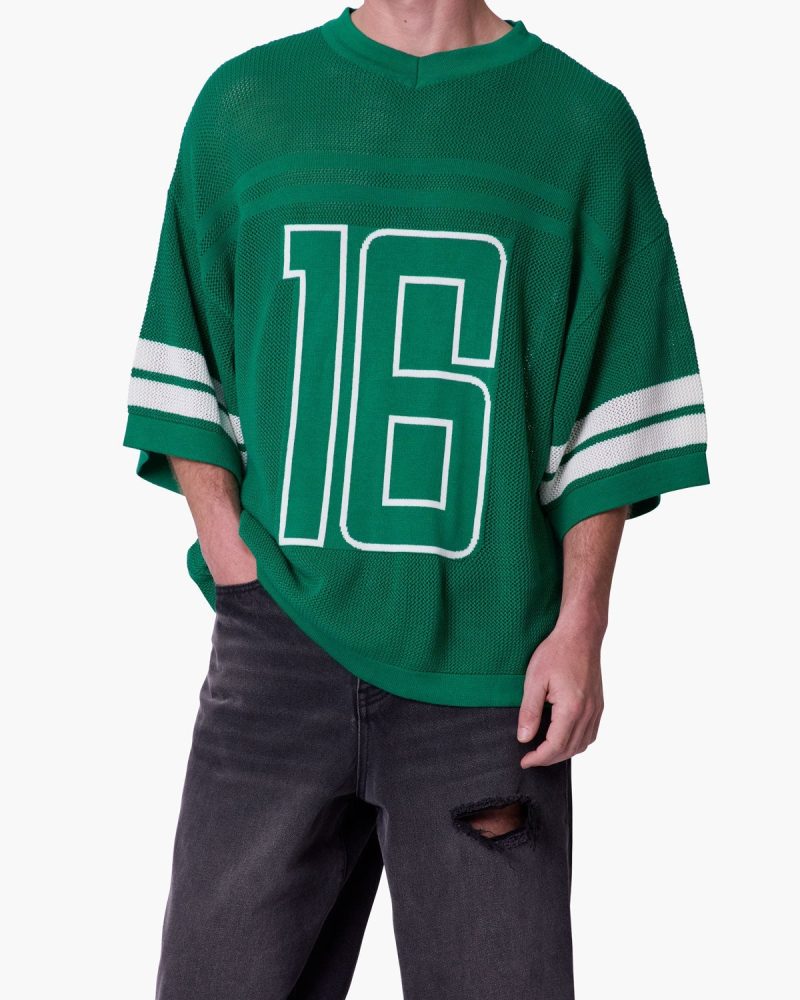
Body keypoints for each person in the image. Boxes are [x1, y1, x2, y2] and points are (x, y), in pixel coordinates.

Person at [122, 2, 710, 997]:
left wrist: (581, 627)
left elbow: (611, 399)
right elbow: (186, 359)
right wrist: (236, 564)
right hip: (278, 645)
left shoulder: (579, 123)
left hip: (488, 671)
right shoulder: (246, 104)